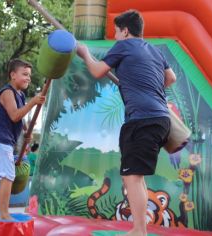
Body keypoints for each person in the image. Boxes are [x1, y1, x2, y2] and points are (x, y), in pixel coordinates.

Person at [77, 10, 176, 236]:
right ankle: (139, 229)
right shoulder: (154, 50)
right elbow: (171, 78)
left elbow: (97, 71)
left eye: (116, 31)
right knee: (134, 175)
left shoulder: (124, 46)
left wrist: (84, 53)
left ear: (125, 31)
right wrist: (148, 87)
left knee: (131, 176)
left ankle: (139, 230)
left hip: (143, 119)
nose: (114, 35)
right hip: (160, 120)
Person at [0, 58, 45, 220]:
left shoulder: (19, 94)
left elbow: (21, 117)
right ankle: (4, 214)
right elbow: (14, 116)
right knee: (8, 176)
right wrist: (33, 102)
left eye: (29, 75)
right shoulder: (7, 92)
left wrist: (26, 131)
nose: (28, 78)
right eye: (24, 74)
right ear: (13, 75)